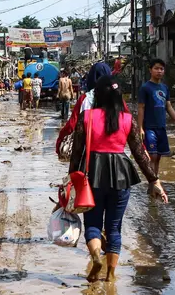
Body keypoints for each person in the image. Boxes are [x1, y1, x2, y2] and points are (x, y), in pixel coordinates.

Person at [69, 76, 168, 283]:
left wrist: (72, 180)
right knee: (114, 227)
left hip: (93, 174)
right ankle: (110, 275)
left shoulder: (86, 117)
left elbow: (77, 152)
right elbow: (140, 153)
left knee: (93, 225)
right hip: (121, 174)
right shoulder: (127, 119)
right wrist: (154, 180)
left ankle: (96, 257)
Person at [138, 58, 175, 174]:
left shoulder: (164, 88)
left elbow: (168, 107)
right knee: (152, 155)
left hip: (161, 127)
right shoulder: (145, 88)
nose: (159, 71)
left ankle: (155, 178)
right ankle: (152, 180)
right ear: (150, 70)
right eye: (156, 68)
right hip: (149, 127)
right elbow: (141, 108)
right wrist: (140, 128)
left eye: (161, 69)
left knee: (158, 156)